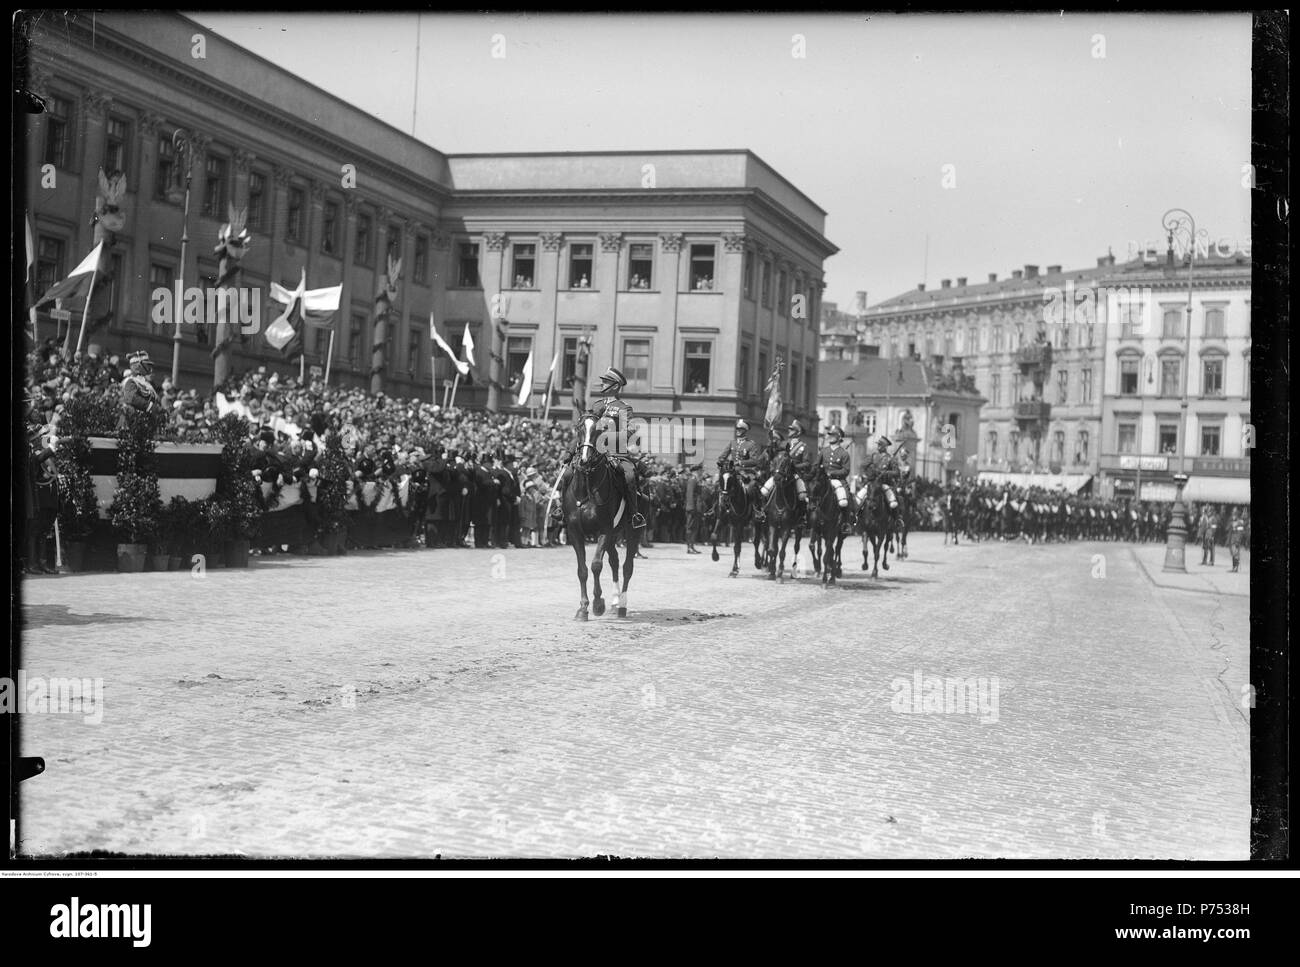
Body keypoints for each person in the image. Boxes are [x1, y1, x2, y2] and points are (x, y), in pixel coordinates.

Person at [549, 366, 646, 530]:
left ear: (614, 386)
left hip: (616, 454)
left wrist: (608, 437)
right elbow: (583, 430)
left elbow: (630, 430)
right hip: (592, 453)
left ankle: (633, 514)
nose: (601, 385)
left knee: (629, 476)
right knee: (567, 474)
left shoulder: (623, 408)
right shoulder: (596, 406)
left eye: (605, 383)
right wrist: (569, 452)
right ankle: (563, 509)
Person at [759, 420, 810, 518]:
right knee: (764, 491)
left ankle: (802, 517)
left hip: (795, 475)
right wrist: (770, 433)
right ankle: (763, 512)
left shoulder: (803, 447)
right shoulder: (783, 444)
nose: (789, 430)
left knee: (802, 495)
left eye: (792, 429)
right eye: (789, 429)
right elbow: (772, 450)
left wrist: (795, 466)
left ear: (798, 432)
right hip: (781, 473)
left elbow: (807, 463)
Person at [715, 419, 764, 515]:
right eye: (737, 429)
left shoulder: (751, 444)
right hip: (732, 472)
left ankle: (756, 510)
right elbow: (722, 457)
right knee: (719, 486)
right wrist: (721, 462)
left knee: (751, 488)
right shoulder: (732, 443)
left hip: (745, 472)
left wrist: (739, 462)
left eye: (740, 429)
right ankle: (715, 510)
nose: (737, 431)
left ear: (745, 431)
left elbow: (754, 461)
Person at [813, 425, 853, 525]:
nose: (830, 436)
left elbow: (846, 470)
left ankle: (845, 523)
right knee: (809, 495)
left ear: (839, 438)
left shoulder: (844, 453)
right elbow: (815, 465)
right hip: (822, 480)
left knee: (844, 500)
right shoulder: (824, 451)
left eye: (833, 435)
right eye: (830, 434)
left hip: (837, 480)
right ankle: (807, 520)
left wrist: (832, 473)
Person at [118, 350, 161, 430]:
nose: (150, 369)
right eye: (147, 365)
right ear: (138, 366)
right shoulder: (131, 381)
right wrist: (149, 406)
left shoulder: (145, 382)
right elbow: (131, 398)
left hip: (146, 423)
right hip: (134, 424)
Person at [856, 435, 900, 512]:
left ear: (885, 446)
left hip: (884, 484)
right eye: (878, 444)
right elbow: (862, 466)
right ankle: (854, 518)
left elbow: (897, 472)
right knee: (858, 500)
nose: (878, 446)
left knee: (893, 503)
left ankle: (897, 520)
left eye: (880, 445)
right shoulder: (873, 456)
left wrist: (886, 472)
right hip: (871, 483)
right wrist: (864, 475)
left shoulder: (890, 459)